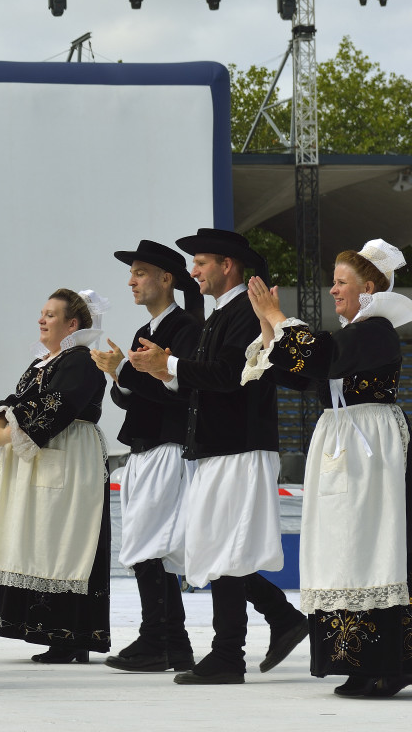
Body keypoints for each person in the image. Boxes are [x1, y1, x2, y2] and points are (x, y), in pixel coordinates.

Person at [127, 228, 306, 685]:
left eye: (202, 262)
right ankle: (274, 625)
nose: (194, 271)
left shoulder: (245, 312)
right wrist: (163, 371)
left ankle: (229, 654)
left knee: (226, 553)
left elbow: (229, 375)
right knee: (217, 550)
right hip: (217, 447)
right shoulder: (219, 315)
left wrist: (166, 366)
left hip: (239, 446)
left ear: (228, 265)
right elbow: (205, 380)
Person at [241, 240, 412, 698]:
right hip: (342, 440)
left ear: (369, 288)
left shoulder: (376, 329)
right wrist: (267, 326)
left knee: (372, 544)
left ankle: (388, 664)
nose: (333, 290)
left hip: (369, 445)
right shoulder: (351, 334)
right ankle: (360, 660)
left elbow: (325, 355)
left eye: (341, 282)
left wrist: (279, 319)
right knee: (344, 546)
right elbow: (302, 372)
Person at [0, 288, 112, 664]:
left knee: (65, 540)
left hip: (71, 457)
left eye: (51, 314)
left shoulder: (81, 361)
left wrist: (9, 431)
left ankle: (72, 636)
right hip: (46, 455)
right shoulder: (43, 362)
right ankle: (55, 634)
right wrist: (1, 418)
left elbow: (58, 404)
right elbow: (19, 399)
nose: (41, 319)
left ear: (73, 324)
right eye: (42, 313)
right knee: (42, 537)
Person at [92, 241, 201, 673]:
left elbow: (180, 392)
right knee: (144, 547)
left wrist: (123, 372)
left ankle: (159, 639)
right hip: (144, 447)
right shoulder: (150, 333)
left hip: (166, 447)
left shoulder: (185, 329)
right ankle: (171, 642)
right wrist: (117, 376)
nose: (132, 281)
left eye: (140, 272)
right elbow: (139, 398)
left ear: (165, 279)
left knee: (149, 547)